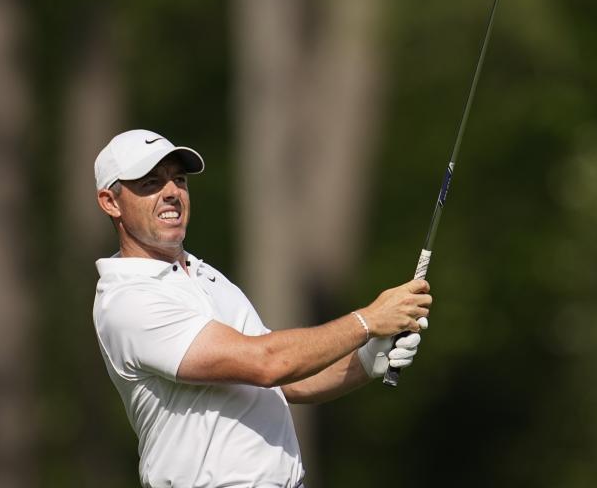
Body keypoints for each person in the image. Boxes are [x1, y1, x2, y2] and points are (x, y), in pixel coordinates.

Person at [92, 129, 432, 488]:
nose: (172, 192)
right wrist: (367, 321)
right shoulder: (128, 300)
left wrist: (364, 359)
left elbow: (284, 383)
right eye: (151, 183)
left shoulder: (206, 275)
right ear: (110, 202)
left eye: (178, 179)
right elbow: (267, 363)